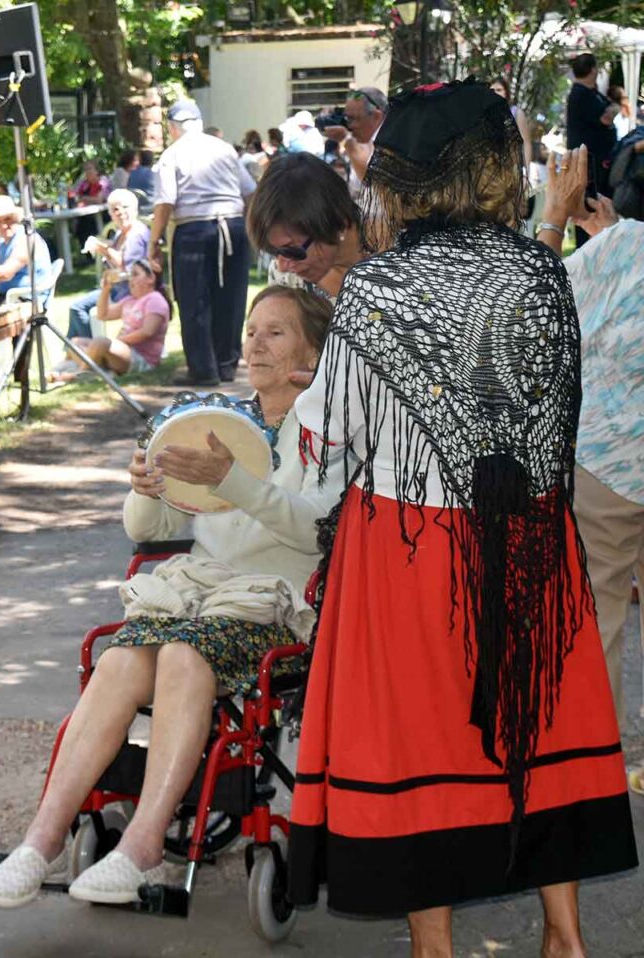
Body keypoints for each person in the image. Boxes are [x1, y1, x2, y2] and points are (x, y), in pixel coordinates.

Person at [288, 80, 637, 955]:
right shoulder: (537, 274)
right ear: (493, 170)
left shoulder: (377, 292)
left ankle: (434, 945)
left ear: (400, 180)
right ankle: (565, 933)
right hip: (530, 532)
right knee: (543, 724)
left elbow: (323, 451)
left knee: (421, 741)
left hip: (408, 546)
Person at [0, 285, 342, 908]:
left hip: (272, 606)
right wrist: (147, 486)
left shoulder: (328, 433)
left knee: (180, 652)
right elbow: (148, 533)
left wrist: (233, 480)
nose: (254, 341)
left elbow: (315, 528)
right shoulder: (215, 423)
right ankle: (39, 840)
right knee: (121, 656)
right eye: (251, 328)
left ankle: (145, 842)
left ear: (312, 352)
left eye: (275, 332)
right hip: (196, 598)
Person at [535, 145, 644, 734]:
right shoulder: (618, 244)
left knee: (597, 612)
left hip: (606, 460)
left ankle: (595, 764)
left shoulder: (619, 248)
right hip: (609, 459)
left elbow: (534, 306)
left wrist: (559, 218)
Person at [149, 99, 256, 386]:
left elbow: (165, 202)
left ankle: (204, 369)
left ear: (172, 127)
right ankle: (226, 364)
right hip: (232, 224)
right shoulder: (224, 149)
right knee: (231, 297)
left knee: (194, 299)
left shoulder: (171, 154)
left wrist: (153, 241)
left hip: (194, 229)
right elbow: (250, 192)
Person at [246, 151, 364, 300]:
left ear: (337, 224)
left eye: (292, 251)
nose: (282, 267)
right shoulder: (287, 278)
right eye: (275, 252)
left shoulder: (395, 262)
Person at [58, 258, 169, 380]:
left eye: (135, 274)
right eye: (130, 274)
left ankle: (80, 374)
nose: (130, 279)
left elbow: (148, 332)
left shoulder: (154, 300)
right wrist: (106, 289)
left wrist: (119, 341)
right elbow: (103, 315)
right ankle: (96, 370)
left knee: (101, 342)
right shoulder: (130, 300)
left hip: (141, 357)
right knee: (74, 342)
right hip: (123, 351)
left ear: (150, 279)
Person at [65, 189, 150, 340]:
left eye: (125, 207)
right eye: (115, 209)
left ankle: (89, 353)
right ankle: (75, 353)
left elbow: (127, 269)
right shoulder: (122, 233)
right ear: (110, 214)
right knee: (76, 307)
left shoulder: (136, 234)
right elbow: (117, 252)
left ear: (135, 209)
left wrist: (103, 249)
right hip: (116, 289)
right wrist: (104, 245)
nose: (121, 212)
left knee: (78, 308)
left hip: (129, 292)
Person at [566, 52, 618, 246]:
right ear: (593, 70)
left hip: (597, 162)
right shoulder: (580, 94)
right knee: (590, 207)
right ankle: (590, 246)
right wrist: (612, 110)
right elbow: (606, 117)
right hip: (590, 165)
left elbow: (610, 109)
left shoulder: (592, 93)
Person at [320, 86, 387, 196]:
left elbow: (374, 183)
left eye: (354, 119)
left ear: (376, 116)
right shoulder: (364, 140)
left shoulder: (393, 142)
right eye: (346, 118)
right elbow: (355, 187)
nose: (349, 126)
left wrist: (346, 140)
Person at [0, 194, 52, 306]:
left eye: (8, 219)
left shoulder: (27, 239)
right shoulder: (2, 245)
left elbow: (6, 273)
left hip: (30, 299)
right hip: (9, 297)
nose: (4, 225)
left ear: (16, 219)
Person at [490, 76, 534, 172]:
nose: (495, 93)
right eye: (492, 90)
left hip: (511, 171)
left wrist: (526, 172)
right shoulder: (485, 116)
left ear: (506, 93)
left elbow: (526, 143)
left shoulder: (516, 113)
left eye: (499, 90)